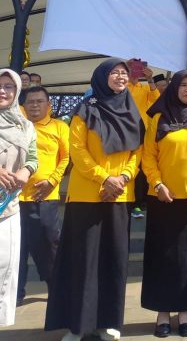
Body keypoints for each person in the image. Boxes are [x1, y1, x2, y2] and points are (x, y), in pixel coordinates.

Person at [45, 59, 143, 341]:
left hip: (120, 196)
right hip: (87, 197)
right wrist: (104, 178)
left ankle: (108, 323)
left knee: (113, 261)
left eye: (124, 73)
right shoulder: (85, 110)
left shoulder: (132, 111)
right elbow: (77, 151)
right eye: (114, 72)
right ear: (101, 77)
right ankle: (77, 326)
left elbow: (137, 151)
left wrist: (123, 177)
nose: (120, 76)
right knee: (83, 262)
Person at [141, 71, 187, 338]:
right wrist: (158, 184)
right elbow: (148, 157)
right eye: (183, 85)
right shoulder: (159, 118)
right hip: (163, 200)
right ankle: (162, 312)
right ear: (173, 89)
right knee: (162, 258)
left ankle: (184, 311)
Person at [18, 86, 69, 305]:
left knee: (50, 243)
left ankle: (56, 288)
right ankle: (16, 293)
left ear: (49, 105)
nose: (35, 105)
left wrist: (52, 181)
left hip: (45, 196)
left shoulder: (59, 126)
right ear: (23, 106)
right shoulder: (18, 127)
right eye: (30, 102)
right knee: (17, 246)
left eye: (40, 101)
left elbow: (66, 157)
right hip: (14, 197)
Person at [0, 68, 37, 327]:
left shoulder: (25, 126)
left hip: (8, 206)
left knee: (5, 266)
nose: (3, 91)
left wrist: (26, 171)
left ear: (17, 91)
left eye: (8, 86)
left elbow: (33, 157)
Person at [127, 58, 160, 220]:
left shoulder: (145, 87)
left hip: (142, 132)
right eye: (133, 67)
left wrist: (149, 79)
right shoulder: (123, 87)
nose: (136, 71)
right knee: (126, 165)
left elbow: (156, 99)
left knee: (140, 167)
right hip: (125, 132)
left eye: (138, 68)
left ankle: (139, 202)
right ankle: (128, 199)